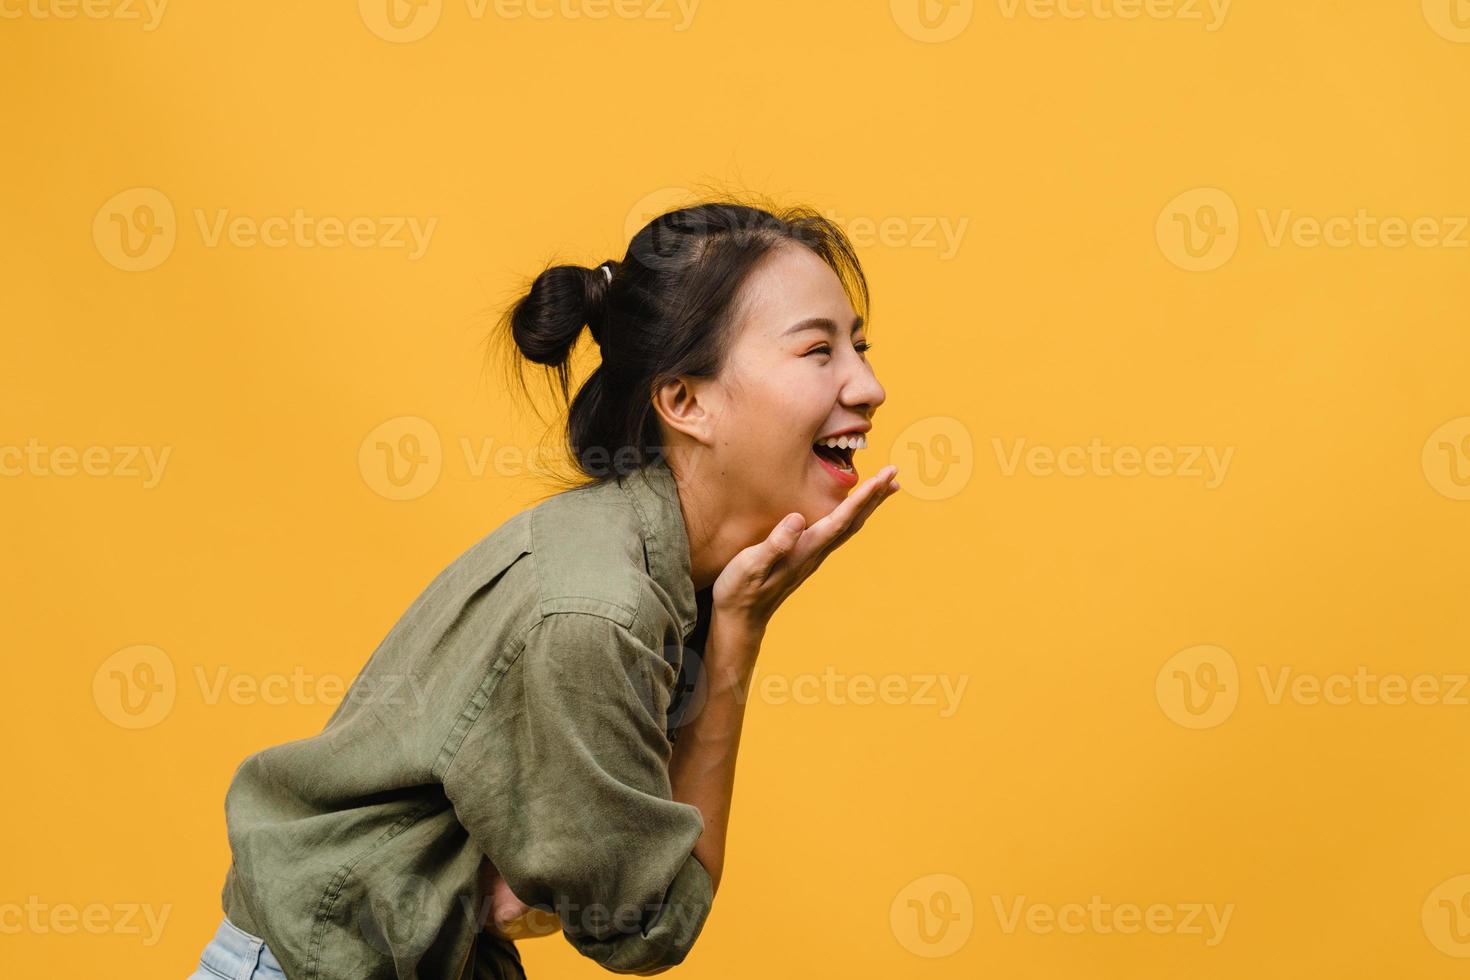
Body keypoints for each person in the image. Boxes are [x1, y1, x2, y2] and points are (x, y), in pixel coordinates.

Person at [188, 199, 898, 979]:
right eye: (818, 351)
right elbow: (644, 926)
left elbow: (589, 852)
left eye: (858, 346)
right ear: (685, 402)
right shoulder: (597, 609)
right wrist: (738, 638)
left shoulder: (641, 566)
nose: (869, 387)